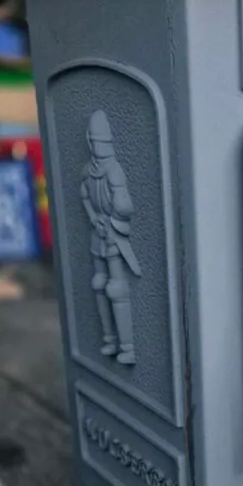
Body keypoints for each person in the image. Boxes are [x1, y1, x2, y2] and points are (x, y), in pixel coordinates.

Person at [80, 109, 141, 365]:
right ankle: (109, 339)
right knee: (99, 283)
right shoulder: (89, 168)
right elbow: (84, 194)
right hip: (99, 231)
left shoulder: (114, 170)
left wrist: (112, 219)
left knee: (117, 288)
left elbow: (126, 206)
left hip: (113, 234)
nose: (100, 148)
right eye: (97, 143)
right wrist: (95, 218)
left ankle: (127, 345)